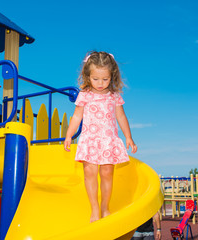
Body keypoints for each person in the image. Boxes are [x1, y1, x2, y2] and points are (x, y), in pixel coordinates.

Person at [64, 51, 137, 222]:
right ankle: (95, 209)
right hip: (90, 140)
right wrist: (69, 135)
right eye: (95, 79)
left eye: (105, 79)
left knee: (106, 172)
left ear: (112, 77)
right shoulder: (85, 95)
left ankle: (105, 207)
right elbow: (76, 116)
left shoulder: (114, 96)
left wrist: (128, 137)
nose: (100, 83)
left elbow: (121, 117)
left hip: (108, 140)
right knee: (89, 173)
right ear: (88, 76)